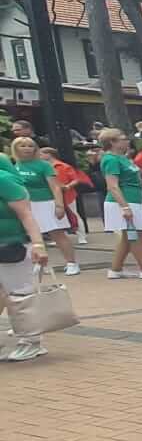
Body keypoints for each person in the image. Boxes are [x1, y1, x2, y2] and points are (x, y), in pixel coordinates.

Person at [1, 155, 53, 363]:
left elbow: (26, 214)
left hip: (12, 245)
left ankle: (31, 342)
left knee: (20, 295)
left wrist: (38, 244)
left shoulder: (4, 180)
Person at [10, 135, 77, 275]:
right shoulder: (14, 166)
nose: (27, 149)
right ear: (16, 149)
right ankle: (40, 263)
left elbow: (55, 187)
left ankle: (71, 263)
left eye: (30, 146)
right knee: (33, 236)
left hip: (46, 203)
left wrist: (59, 205)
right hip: (27, 204)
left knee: (57, 234)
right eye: (23, 146)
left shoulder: (44, 165)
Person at [98, 126, 142, 278]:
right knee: (136, 234)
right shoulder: (111, 159)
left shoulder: (122, 158)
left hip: (133, 199)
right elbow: (112, 185)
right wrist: (124, 206)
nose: (127, 141)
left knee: (129, 236)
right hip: (123, 201)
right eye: (123, 139)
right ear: (112, 142)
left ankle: (116, 269)